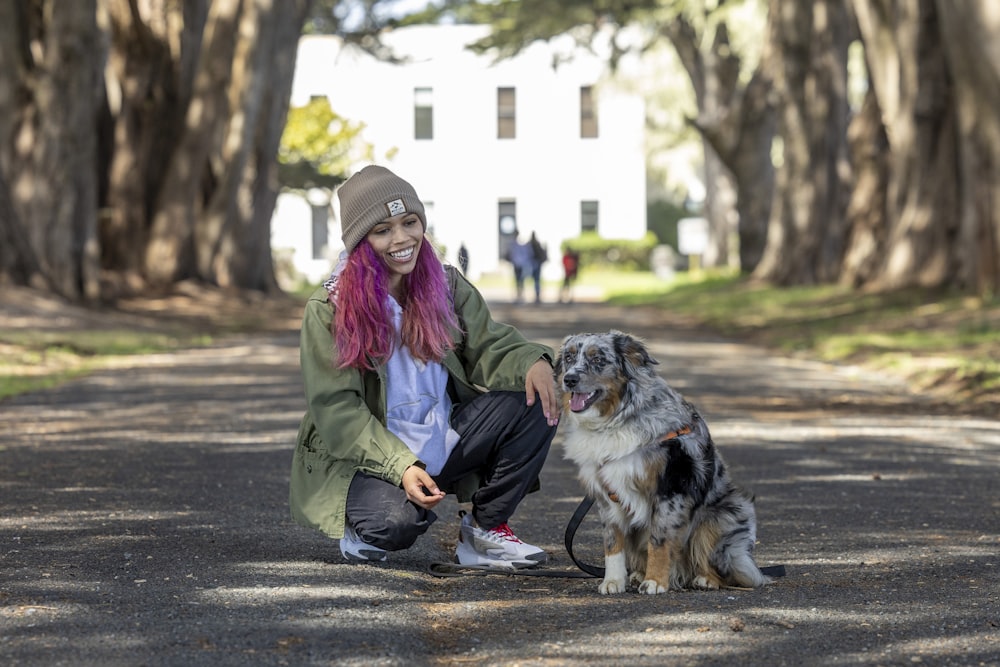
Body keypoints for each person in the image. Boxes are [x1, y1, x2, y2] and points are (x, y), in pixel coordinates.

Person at [290, 165, 560, 568]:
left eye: (409, 222)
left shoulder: (446, 284)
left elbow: (489, 343)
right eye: (382, 230)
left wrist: (532, 362)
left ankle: (484, 530)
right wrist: (399, 467)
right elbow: (338, 412)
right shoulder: (330, 308)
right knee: (395, 526)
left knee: (536, 400)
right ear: (361, 241)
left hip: (441, 435)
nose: (402, 239)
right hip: (368, 457)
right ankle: (360, 522)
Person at [505, 235, 533, 303]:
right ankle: (519, 294)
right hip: (519, 264)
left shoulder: (516, 246)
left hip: (519, 264)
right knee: (519, 280)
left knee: (519, 280)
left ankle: (520, 294)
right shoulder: (518, 246)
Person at [528, 232, 547, 304]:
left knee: (536, 280)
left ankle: (537, 294)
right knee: (536, 280)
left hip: (534, 264)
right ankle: (537, 294)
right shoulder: (535, 244)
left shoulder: (532, 244)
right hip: (535, 263)